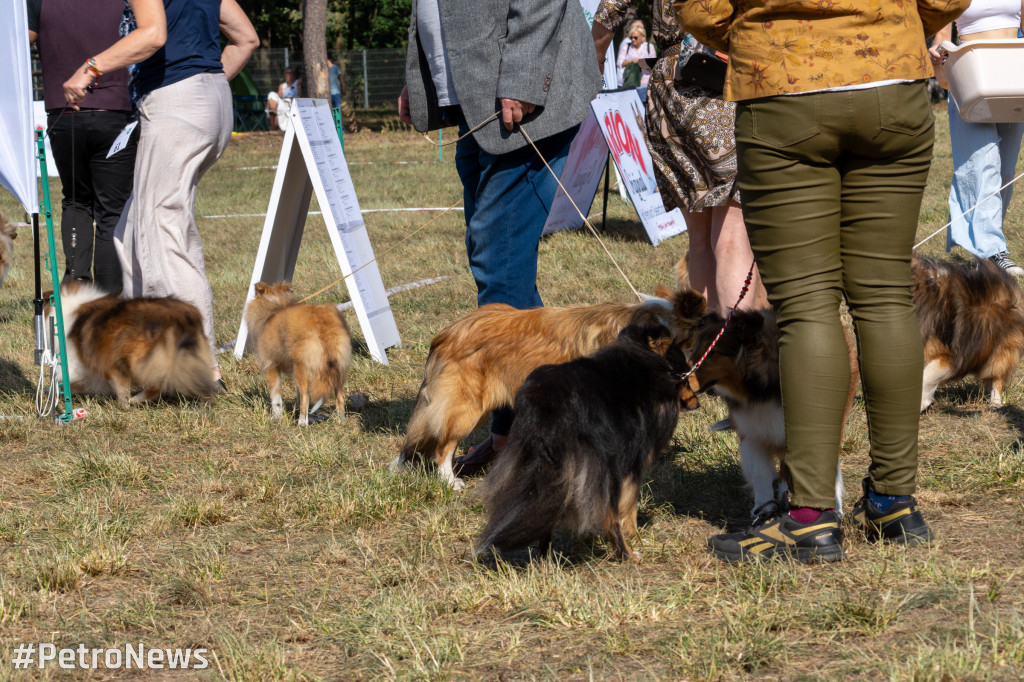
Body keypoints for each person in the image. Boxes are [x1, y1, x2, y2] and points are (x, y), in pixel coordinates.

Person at [676, 0, 969, 563]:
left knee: (806, 307)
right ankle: (895, 501)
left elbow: (701, 8)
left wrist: (749, 34)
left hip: (783, 81)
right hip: (892, 76)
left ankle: (810, 517)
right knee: (885, 296)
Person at [398, 0, 601, 473]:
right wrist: (424, 78)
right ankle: (551, 416)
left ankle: (514, 442)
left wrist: (525, 77)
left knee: (500, 271)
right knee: (499, 268)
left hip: (521, 97)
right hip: (478, 101)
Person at [63, 0, 259, 387]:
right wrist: (208, 81)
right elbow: (246, 38)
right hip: (210, 98)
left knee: (164, 237)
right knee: (132, 230)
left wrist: (90, 68)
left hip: (176, 102)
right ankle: (147, 360)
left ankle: (196, 367)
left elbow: (152, 34)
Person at [593, 1, 767, 314]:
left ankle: (707, 343)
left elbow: (610, 8)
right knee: (734, 235)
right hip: (722, 77)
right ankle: (732, 348)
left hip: (668, 85)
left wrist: (597, 58)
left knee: (699, 239)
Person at [28, 0, 138, 295]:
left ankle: (76, 284)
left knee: (75, 200)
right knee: (111, 210)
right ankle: (108, 297)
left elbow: (18, 41)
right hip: (115, 111)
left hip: (63, 112)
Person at [930, 1, 1024, 276]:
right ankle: (991, 253)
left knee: (1005, 171)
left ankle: (984, 247)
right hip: (971, 78)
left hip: (1011, 76)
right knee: (983, 163)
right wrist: (937, 53)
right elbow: (942, 37)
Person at [617, 23, 656, 88]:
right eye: (631, 37)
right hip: (629, 81)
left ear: (642, 37)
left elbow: (654, 65)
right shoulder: (626, 46)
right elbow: (619, 63)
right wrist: (631, 61)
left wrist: (640, 62)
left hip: (645, 83)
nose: (633, 39)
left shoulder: (649, 47)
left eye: (635, 37)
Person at [328, 57, 359, 133]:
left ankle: (340, 126)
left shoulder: (335, 68)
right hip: (328, 94)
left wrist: (344, 88)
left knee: (338, 109)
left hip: (336, 92)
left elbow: (341, 79)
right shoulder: (324, 69)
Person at [267, 66, 302, 130]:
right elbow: (279, 95)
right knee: (271, 94)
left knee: (275, 107)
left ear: (294, 74)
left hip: (294, 103)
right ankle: (273, 111)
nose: (289, 75)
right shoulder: (282, 85)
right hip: (283, 102)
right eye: (287, 73)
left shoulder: (298, 83)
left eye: (291, 73)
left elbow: (301, 95)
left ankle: (273, 117)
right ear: (285, 74)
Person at [615, 19, 645, 86]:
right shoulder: (626, 43)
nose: (643, 29)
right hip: (626, 80)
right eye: (640, 27)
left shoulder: (645, 45)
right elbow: (620, 63)